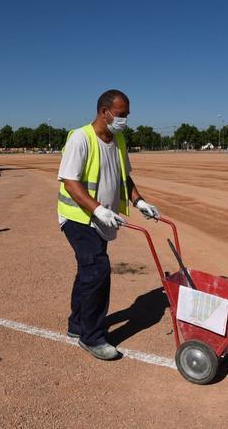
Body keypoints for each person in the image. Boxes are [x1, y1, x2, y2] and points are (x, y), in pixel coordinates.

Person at [57, 89, 161, 361]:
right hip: (78, 218)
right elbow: (70, 182)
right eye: (121, 114)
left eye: (127, 115)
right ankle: (91, 337)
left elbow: (124, 177)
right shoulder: (81, 138)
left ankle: (76, 324)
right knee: (98, 270)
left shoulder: (119, 139)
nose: (125, 119)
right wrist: (98, 209)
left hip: (101, 219)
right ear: (105, 112)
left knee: (87, 271)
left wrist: (140, 202)